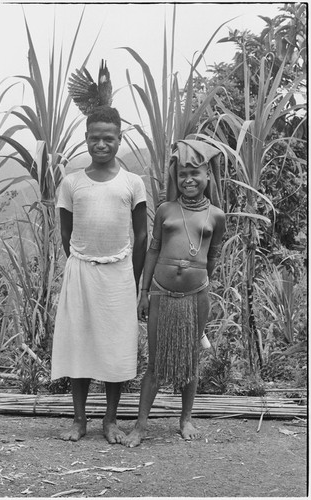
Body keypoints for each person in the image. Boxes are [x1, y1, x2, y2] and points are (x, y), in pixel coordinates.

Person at [51, 106, 148, 443]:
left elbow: (142, 237)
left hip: (120, 274)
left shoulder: (132, 183)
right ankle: (79, 421)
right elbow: (66, 234)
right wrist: (84, 263)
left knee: (115, 346)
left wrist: (131, 279)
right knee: (79, 343)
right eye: (95, 138)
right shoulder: (72, 182)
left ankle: (110, 421)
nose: (102, 143)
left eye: (109, 138)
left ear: (120, 139)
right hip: (80, 271)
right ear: (86, 139)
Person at [123, 137, 226, 448]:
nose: (189, 179)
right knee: (155, 363)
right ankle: (141, 425)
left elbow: (213, 256)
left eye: (195, 173)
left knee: (189, 361)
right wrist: (143, 292)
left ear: (208, 176)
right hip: (161, 294)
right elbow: (153, 250)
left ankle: (185, 419)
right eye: (182, 174)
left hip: (197, 296)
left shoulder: (216, 216)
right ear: (175, 178)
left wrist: (197, 280)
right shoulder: (167, 209)